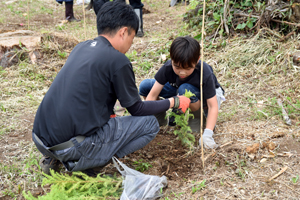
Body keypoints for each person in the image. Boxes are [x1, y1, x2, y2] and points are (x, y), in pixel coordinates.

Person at [32, 1, 190, 176]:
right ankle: (89, 164)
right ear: (123, 32)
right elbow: (136, 108)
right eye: (132, 37)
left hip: (40, 137)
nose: (131, 44)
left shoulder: (81, 47)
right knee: (150, 124)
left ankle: (53, 157)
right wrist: (174, 101)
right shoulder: (118, 60)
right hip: (72, 147)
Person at [139, 36, 225, 149]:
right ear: (171, 58)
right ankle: (159, 118)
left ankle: (197, 116)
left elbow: (212, 105)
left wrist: (208, 134)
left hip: (204, 96)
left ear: (197, 60)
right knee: (145, 86)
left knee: (185, 89)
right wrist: (143, 121)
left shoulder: (204, 72)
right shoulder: (168, 67)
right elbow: (152, 95)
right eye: (177, 67)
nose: (182, 72)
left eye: (188, 68)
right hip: (179, 89)